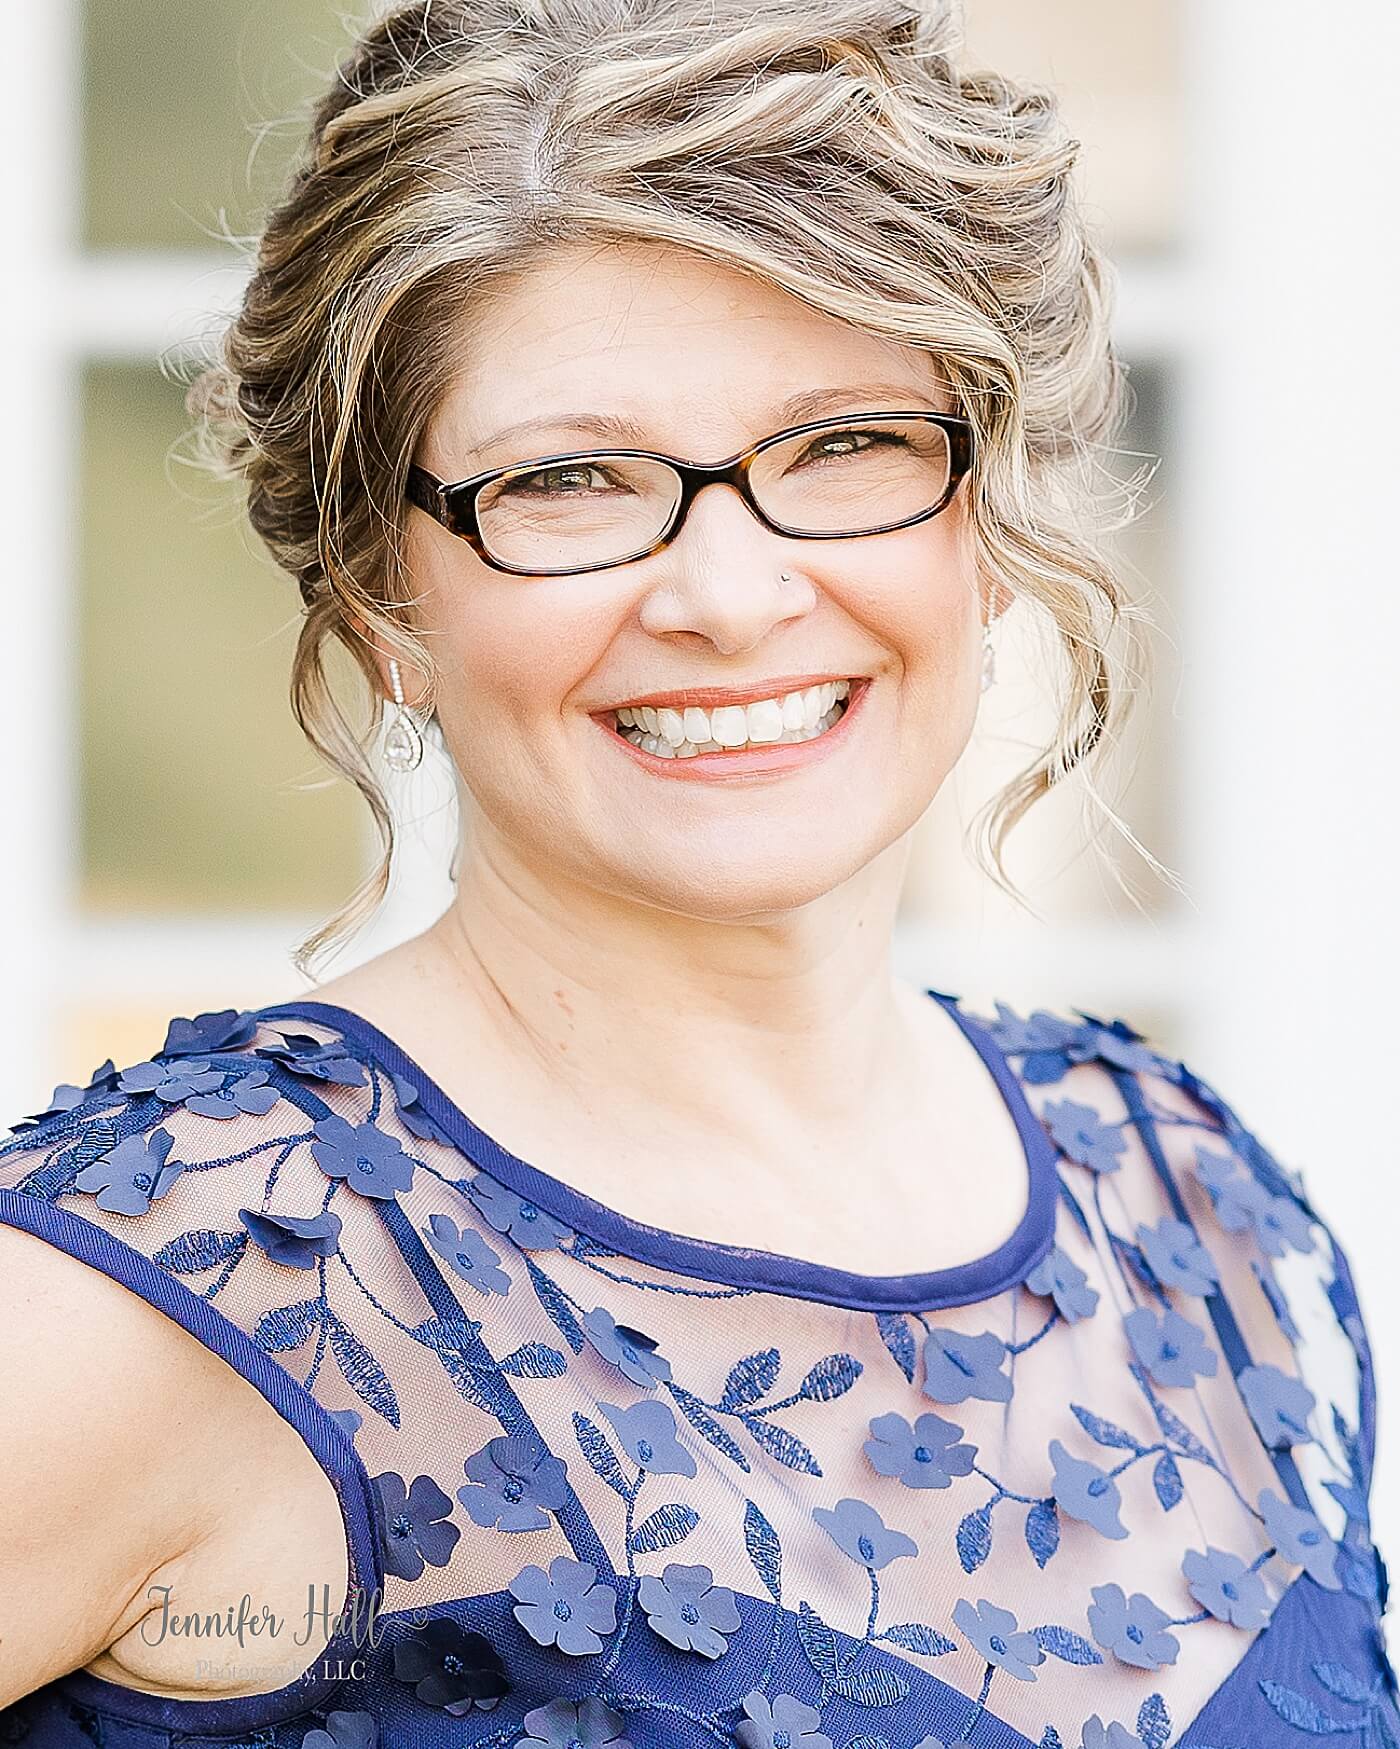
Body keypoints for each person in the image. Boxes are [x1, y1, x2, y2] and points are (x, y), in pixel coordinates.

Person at [0, 1, 1392, 1745]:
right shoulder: (180, 1290)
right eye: (571, 479)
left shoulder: (1205, 1220)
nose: (731, 596)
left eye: (846, 447)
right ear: (381, 594)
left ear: (993, 511)